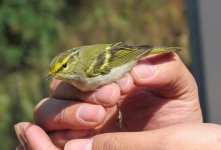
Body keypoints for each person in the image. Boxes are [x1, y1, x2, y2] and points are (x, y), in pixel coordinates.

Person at [14, 52, 221, 150]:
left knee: (114, 89)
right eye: (55, 73)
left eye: (62, 69)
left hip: (123, 62)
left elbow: (116, 57)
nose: (58, 75)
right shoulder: (75, 81)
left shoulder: (86, 69)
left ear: (72, 64)